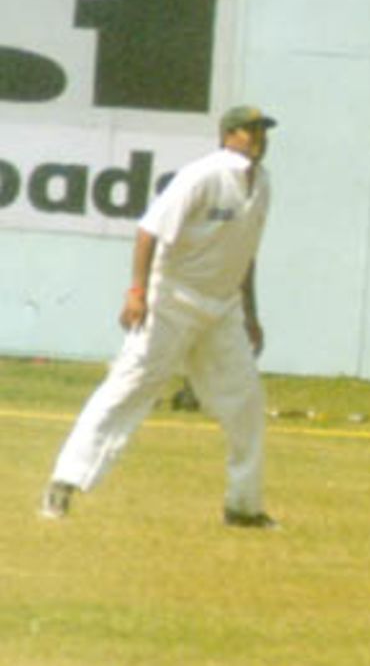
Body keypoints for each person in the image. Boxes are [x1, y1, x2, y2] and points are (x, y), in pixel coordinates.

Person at [40, 105, 279, 528]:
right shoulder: (204, 174)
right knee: (128, 388)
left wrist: (252, 314)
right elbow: (148, 231)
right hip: (172, 301)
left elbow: (247, 254)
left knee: (246, 403)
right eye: (251, 129)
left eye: (263, 130)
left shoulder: (263, 184)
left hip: (222, 310)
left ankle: (243, 506)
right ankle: (63, 483)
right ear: (229, 135)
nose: (259, 136)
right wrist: (136, 293)